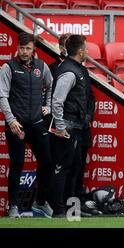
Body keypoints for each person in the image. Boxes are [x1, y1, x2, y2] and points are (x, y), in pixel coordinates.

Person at [0, 32, 53, 218]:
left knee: (47, 162)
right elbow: (2, 96)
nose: (24, 51)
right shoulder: (8, 67)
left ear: (34, 49)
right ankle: (13, 206)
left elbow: (50, 85)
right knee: (17, 165)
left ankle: (40, 202)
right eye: (21, 48)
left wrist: (48, 105)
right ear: (17, 48)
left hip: (38, 123)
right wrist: (11, 120)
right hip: (18, 125)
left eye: (28, 48)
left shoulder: (42, 66)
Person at [49, 34, 95, 206]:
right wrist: (60, 127)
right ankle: (58, 209)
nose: (88, 52)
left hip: (75, 127)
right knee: (62, 169)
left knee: (73, 168)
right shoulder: (69, 71)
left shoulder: (75, 68)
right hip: (66, 128)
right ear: (81, 51)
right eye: (87, 49)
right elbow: (57, 101)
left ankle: (70, 208)